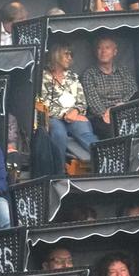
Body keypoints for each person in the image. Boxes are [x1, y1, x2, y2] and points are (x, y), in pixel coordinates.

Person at [37, 44, 97, 177]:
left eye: (71, 55)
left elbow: (82, 101)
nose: (70, 58)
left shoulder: (73, 77)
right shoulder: (42, 77)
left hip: (73, 115)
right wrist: (64, 114)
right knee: (58, 133)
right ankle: (58, 173)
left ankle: (103, 160)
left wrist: (76, 111)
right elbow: (43, 104)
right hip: (53, 117)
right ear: (56, 56)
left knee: (85, 130)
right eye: (66, 54)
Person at [81, 36, 137, 139]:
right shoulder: (89, 74)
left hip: (123, 110)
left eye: (107, 48)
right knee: (111, 130)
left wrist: (121, 105)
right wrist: (107, 113)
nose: (103, 51)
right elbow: (92, 101)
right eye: (99, 48)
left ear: (114, 52)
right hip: (101, 116)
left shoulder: (123, 70)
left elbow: (133, 90)